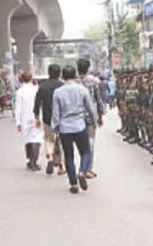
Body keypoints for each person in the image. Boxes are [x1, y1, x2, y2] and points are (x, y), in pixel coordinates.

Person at [52, 65, 97, 194]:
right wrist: (94, 122)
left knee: (68, 155)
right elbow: (90, 108)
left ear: (62, 77)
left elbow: (56, 113)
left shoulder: (58, 92)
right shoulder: (82, 90)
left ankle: (73, 183)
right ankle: (82, 171)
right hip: (79, 126)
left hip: (65, 128)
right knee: (85, 152)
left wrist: (55, 128)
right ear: (75, 76)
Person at [34, 64, 65, 175]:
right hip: (62, 118)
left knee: (49, 140)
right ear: (60, 74)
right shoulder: (63, 85)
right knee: (62, 141)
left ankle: (51, 158)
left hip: (47, 117)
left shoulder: (43, 86)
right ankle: (61, 166)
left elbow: (37, 102)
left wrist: (36, 116)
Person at [77, 58, 105, 179]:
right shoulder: (93, 81)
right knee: (90, 143)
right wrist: (100, 115)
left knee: (79, 144)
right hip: (90, 117)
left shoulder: (74, 81)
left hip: (76, 117)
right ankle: (87, 170)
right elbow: (98, 99)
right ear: (88, 69)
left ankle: (81, 167)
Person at [14, 71, 42, 171]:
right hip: (36, 117)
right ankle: (34, 162)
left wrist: (18, 122)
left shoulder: (19, 92)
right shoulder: (37, 89)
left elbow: (18, 108)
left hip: (25, 118)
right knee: (36, 139)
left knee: (28, 140)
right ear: (31, 78)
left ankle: (29, 160)